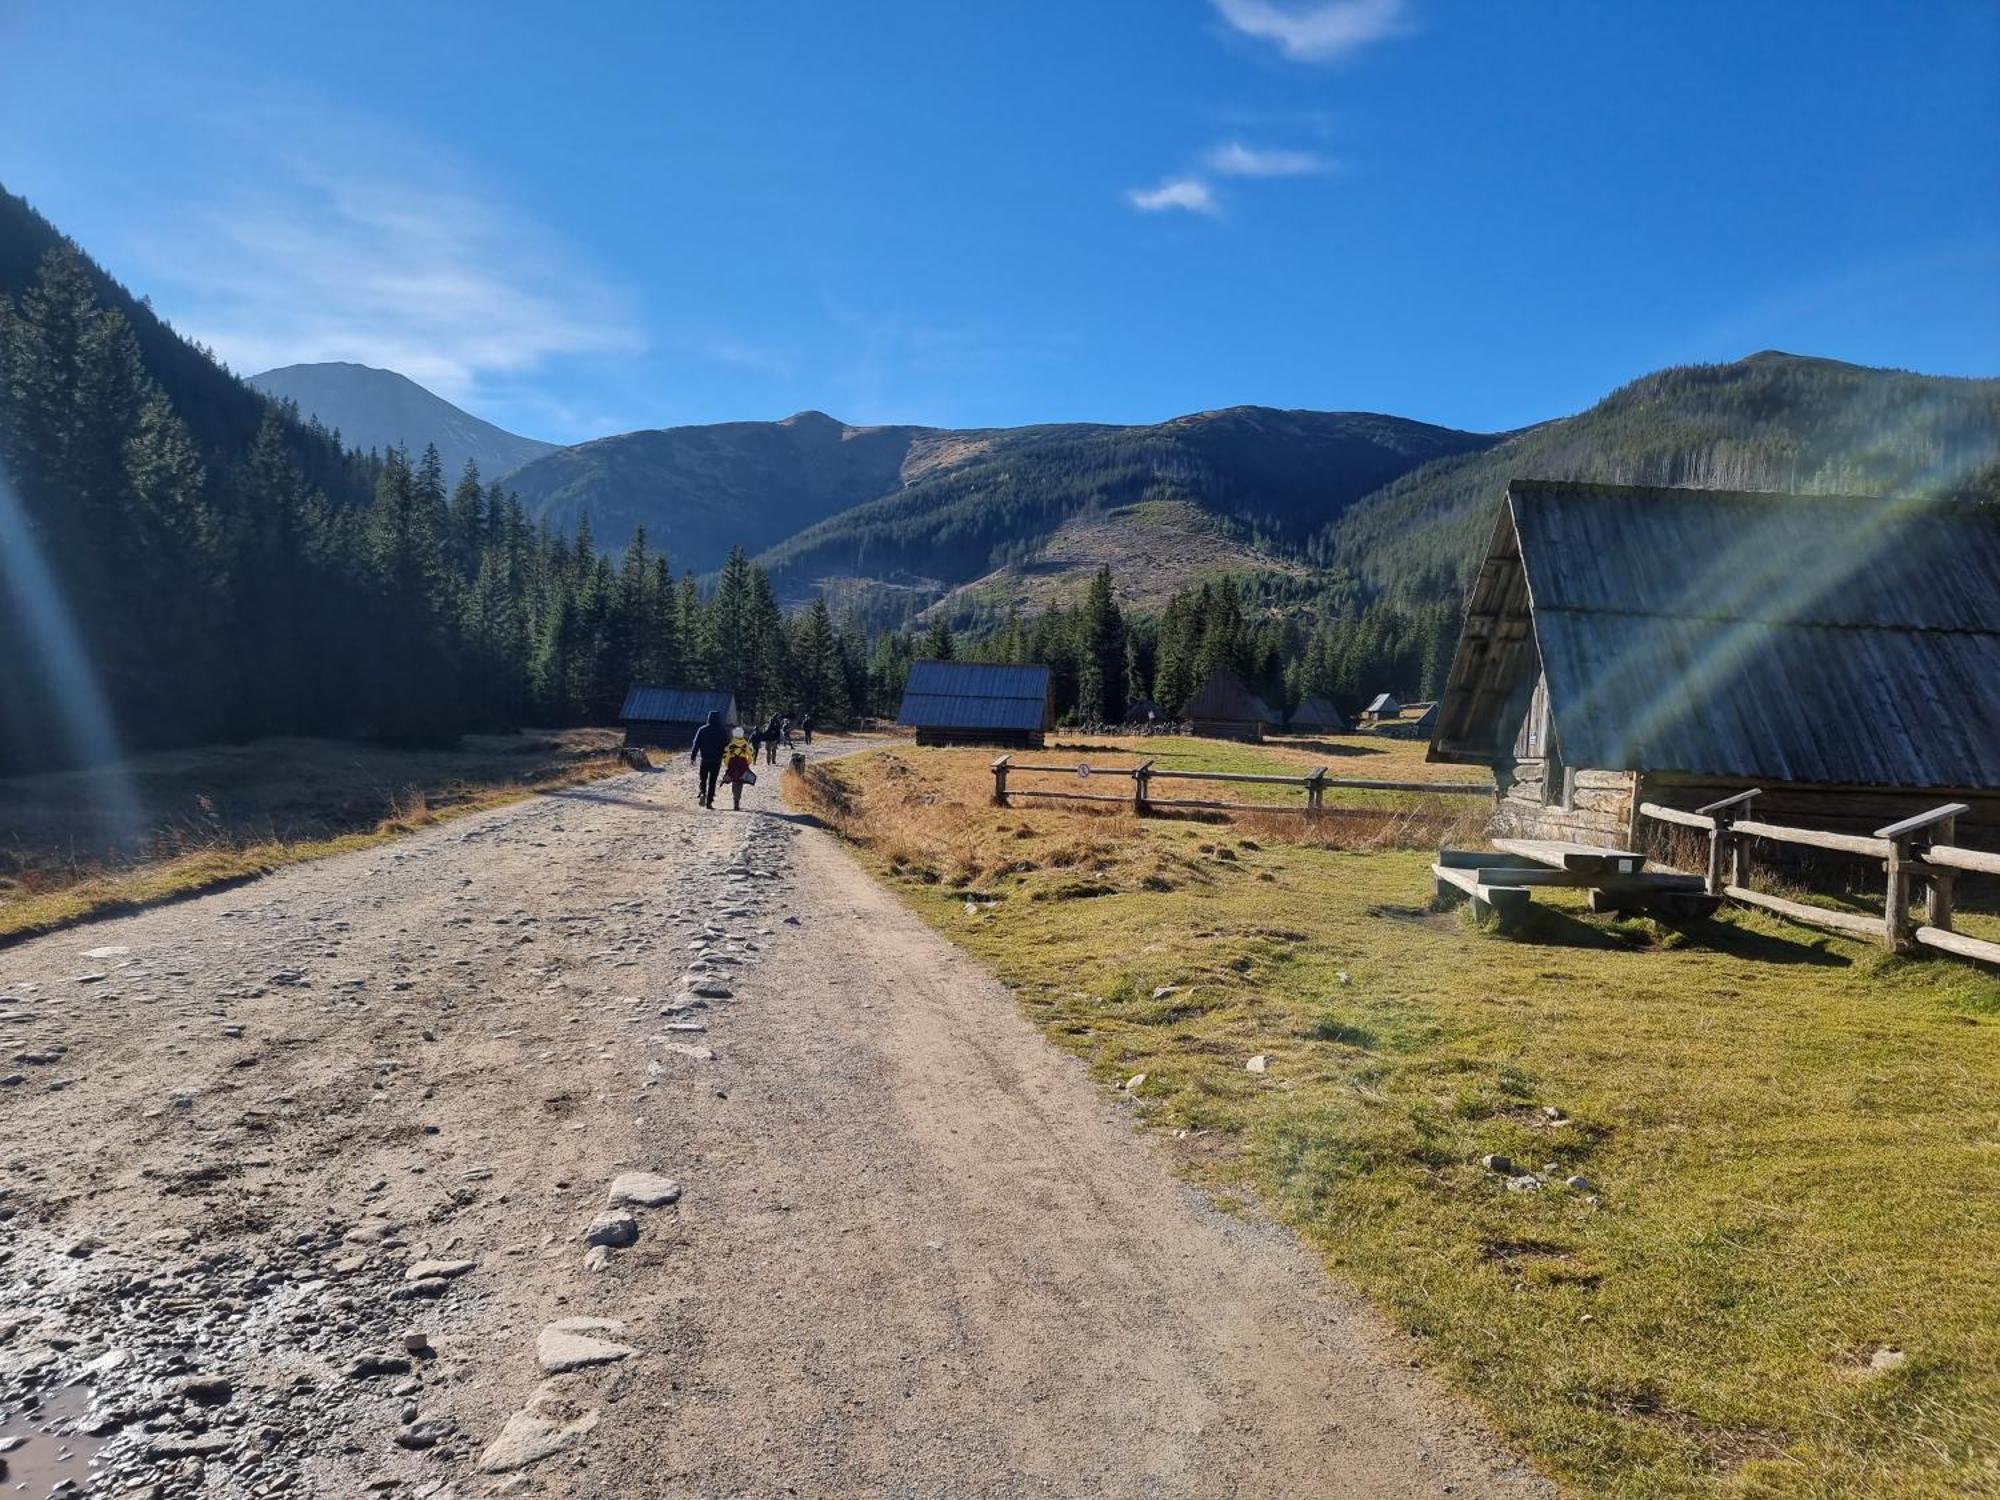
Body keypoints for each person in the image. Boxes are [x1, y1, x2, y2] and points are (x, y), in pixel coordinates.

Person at [689, 710, 727, 809]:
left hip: (705, 759)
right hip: (716, 760)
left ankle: (702, 792)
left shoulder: (702, 730)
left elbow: (696, 744)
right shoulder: (722, 731)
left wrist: (693, 757)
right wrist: (726, 757)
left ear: (708, 718)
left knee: (703, 778)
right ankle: (709, 802)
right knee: (712, 781)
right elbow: (727, 745)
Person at [721, 726, 756, 810]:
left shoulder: (731, 744)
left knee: (734, 781)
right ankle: (737, 800)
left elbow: (726, 756)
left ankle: (735, 800)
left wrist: (727, 764)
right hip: (742, 764)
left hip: (733, 763)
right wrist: (747, 763)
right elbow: (751, 755)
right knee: (740, 782)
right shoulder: (745, 744)